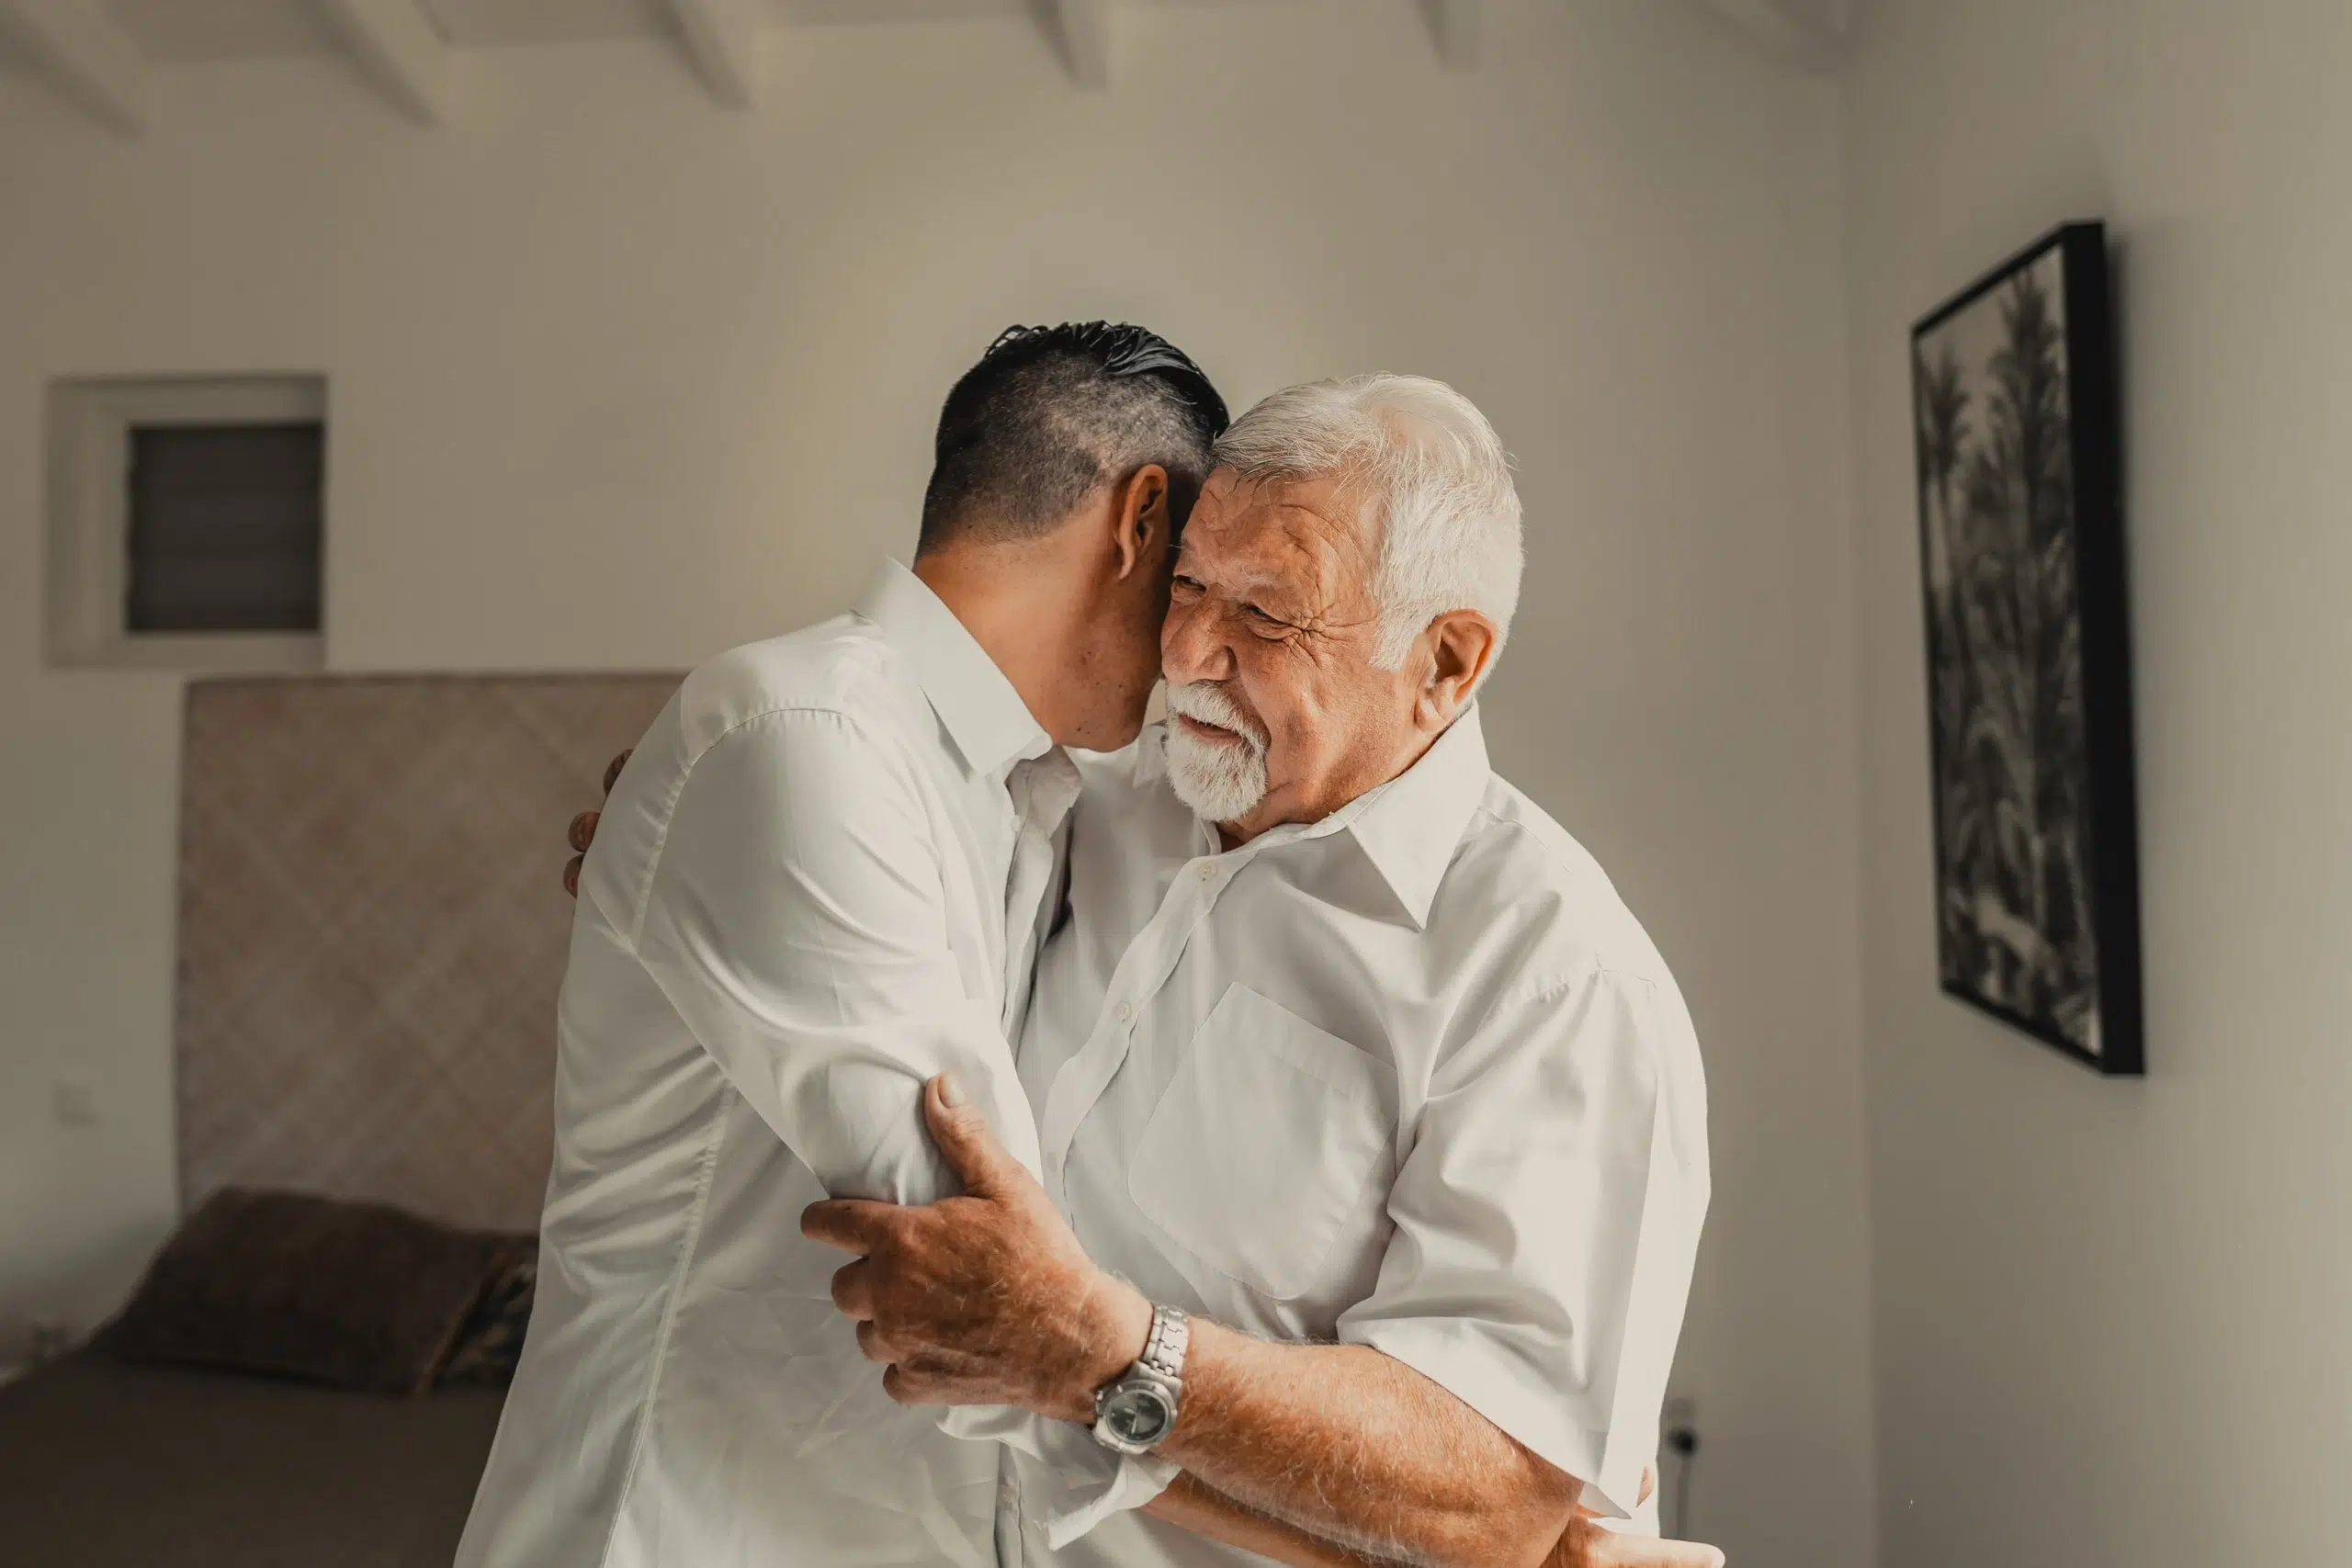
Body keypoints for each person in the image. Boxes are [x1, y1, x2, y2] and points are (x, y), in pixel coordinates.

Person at [519, 337, 1725, 1568]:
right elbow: (982, 1309)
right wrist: (688, 815)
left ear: (1448, 662)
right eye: (1189, 585)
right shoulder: (1099, 786)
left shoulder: (1558, 983)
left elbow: (1488, 1485)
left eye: (1265, 612)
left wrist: (1120, 1362)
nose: (1190, 653)